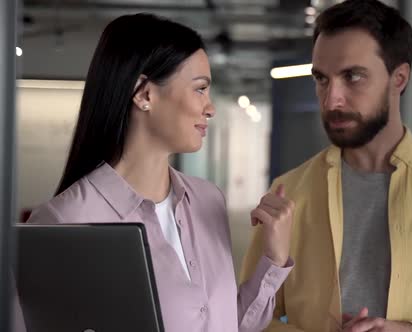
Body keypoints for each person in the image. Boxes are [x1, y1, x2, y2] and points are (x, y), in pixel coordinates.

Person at [240, 1, 412, 331]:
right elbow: (248, 321)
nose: (332, 100)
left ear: (398, 78)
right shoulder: (289, 192)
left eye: (353, 77)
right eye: (322, 79)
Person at [23, 13, 294, 332]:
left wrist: (273, 259)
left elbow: (228, 323)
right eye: (200, 89)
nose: (211, 107)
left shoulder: (207, 200)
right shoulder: (64, 223)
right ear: (144, 94)